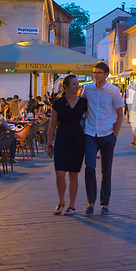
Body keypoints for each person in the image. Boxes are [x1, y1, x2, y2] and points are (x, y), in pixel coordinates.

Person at [82, 62, 124, 216]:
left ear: (106, 74)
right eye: (94, 72)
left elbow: (120, 114)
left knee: (106, 171)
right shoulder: (87, 89)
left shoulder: (114, 91)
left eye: (99, 72)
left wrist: (115, 135)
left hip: (107, 134)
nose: (96, 75)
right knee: (89, 167)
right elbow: (84, 107)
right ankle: (90, 201)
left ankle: (104, 203)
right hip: (91, 133)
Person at [47, 75, 88, 216]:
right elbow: (52, 124)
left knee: (73, 173)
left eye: (78, 84)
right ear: (66, 86)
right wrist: (49, 144)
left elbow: (90, 119)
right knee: (60, 173)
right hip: (62, 139)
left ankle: (72, 205)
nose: (78, 86)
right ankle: (61, 200)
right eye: (74, 84)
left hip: (77, 139)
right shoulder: (58, 103)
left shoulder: (83, 102)